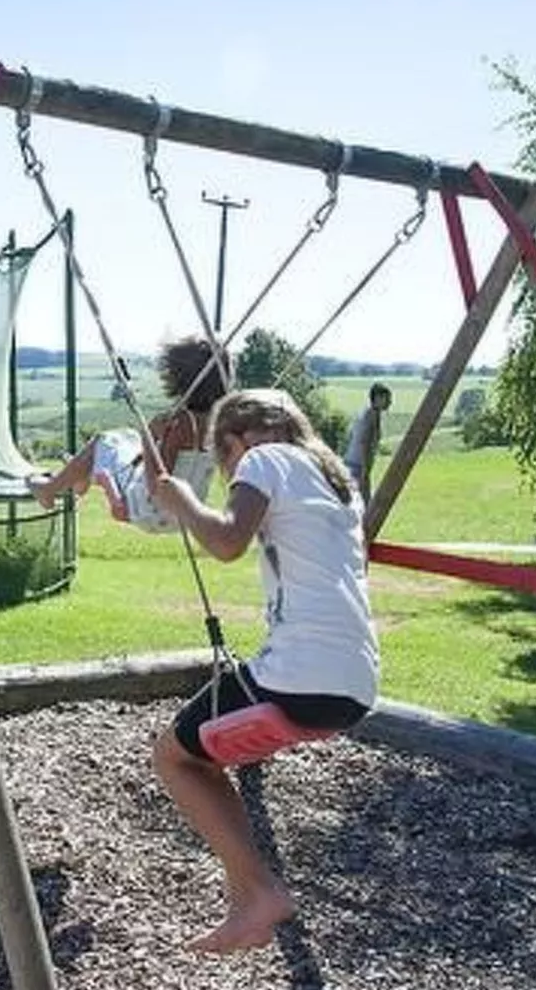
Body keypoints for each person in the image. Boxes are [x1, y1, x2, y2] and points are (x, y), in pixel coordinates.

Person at [145, 387, 379, 954]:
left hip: (298, 674)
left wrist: (181, 501)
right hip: (354, 685)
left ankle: (261, 893)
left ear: (238, 440)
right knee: (203, 760)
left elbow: (227, 540)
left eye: (223, 460)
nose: (230, 472)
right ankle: (247, 897)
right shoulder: (340, 483)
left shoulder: (265, 458)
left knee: (172, 758)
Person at [27, 335, 229, 531]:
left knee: (104, 441)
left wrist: (148, 436)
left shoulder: (181, 424)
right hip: (189, 515)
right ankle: (79, 478)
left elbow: (158, 487)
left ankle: (50, 489)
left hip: (149, 510)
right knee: (127, 438)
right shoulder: (221, 421)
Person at [343, 382, 392, 506]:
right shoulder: (371, 415)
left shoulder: (368, 412)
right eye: (387, 398)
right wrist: (365, 469)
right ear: (377, 398)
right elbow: (364, 442)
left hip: (352, 462)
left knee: (359, 503)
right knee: (364, 505)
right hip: (358, 465)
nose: (390, 402)